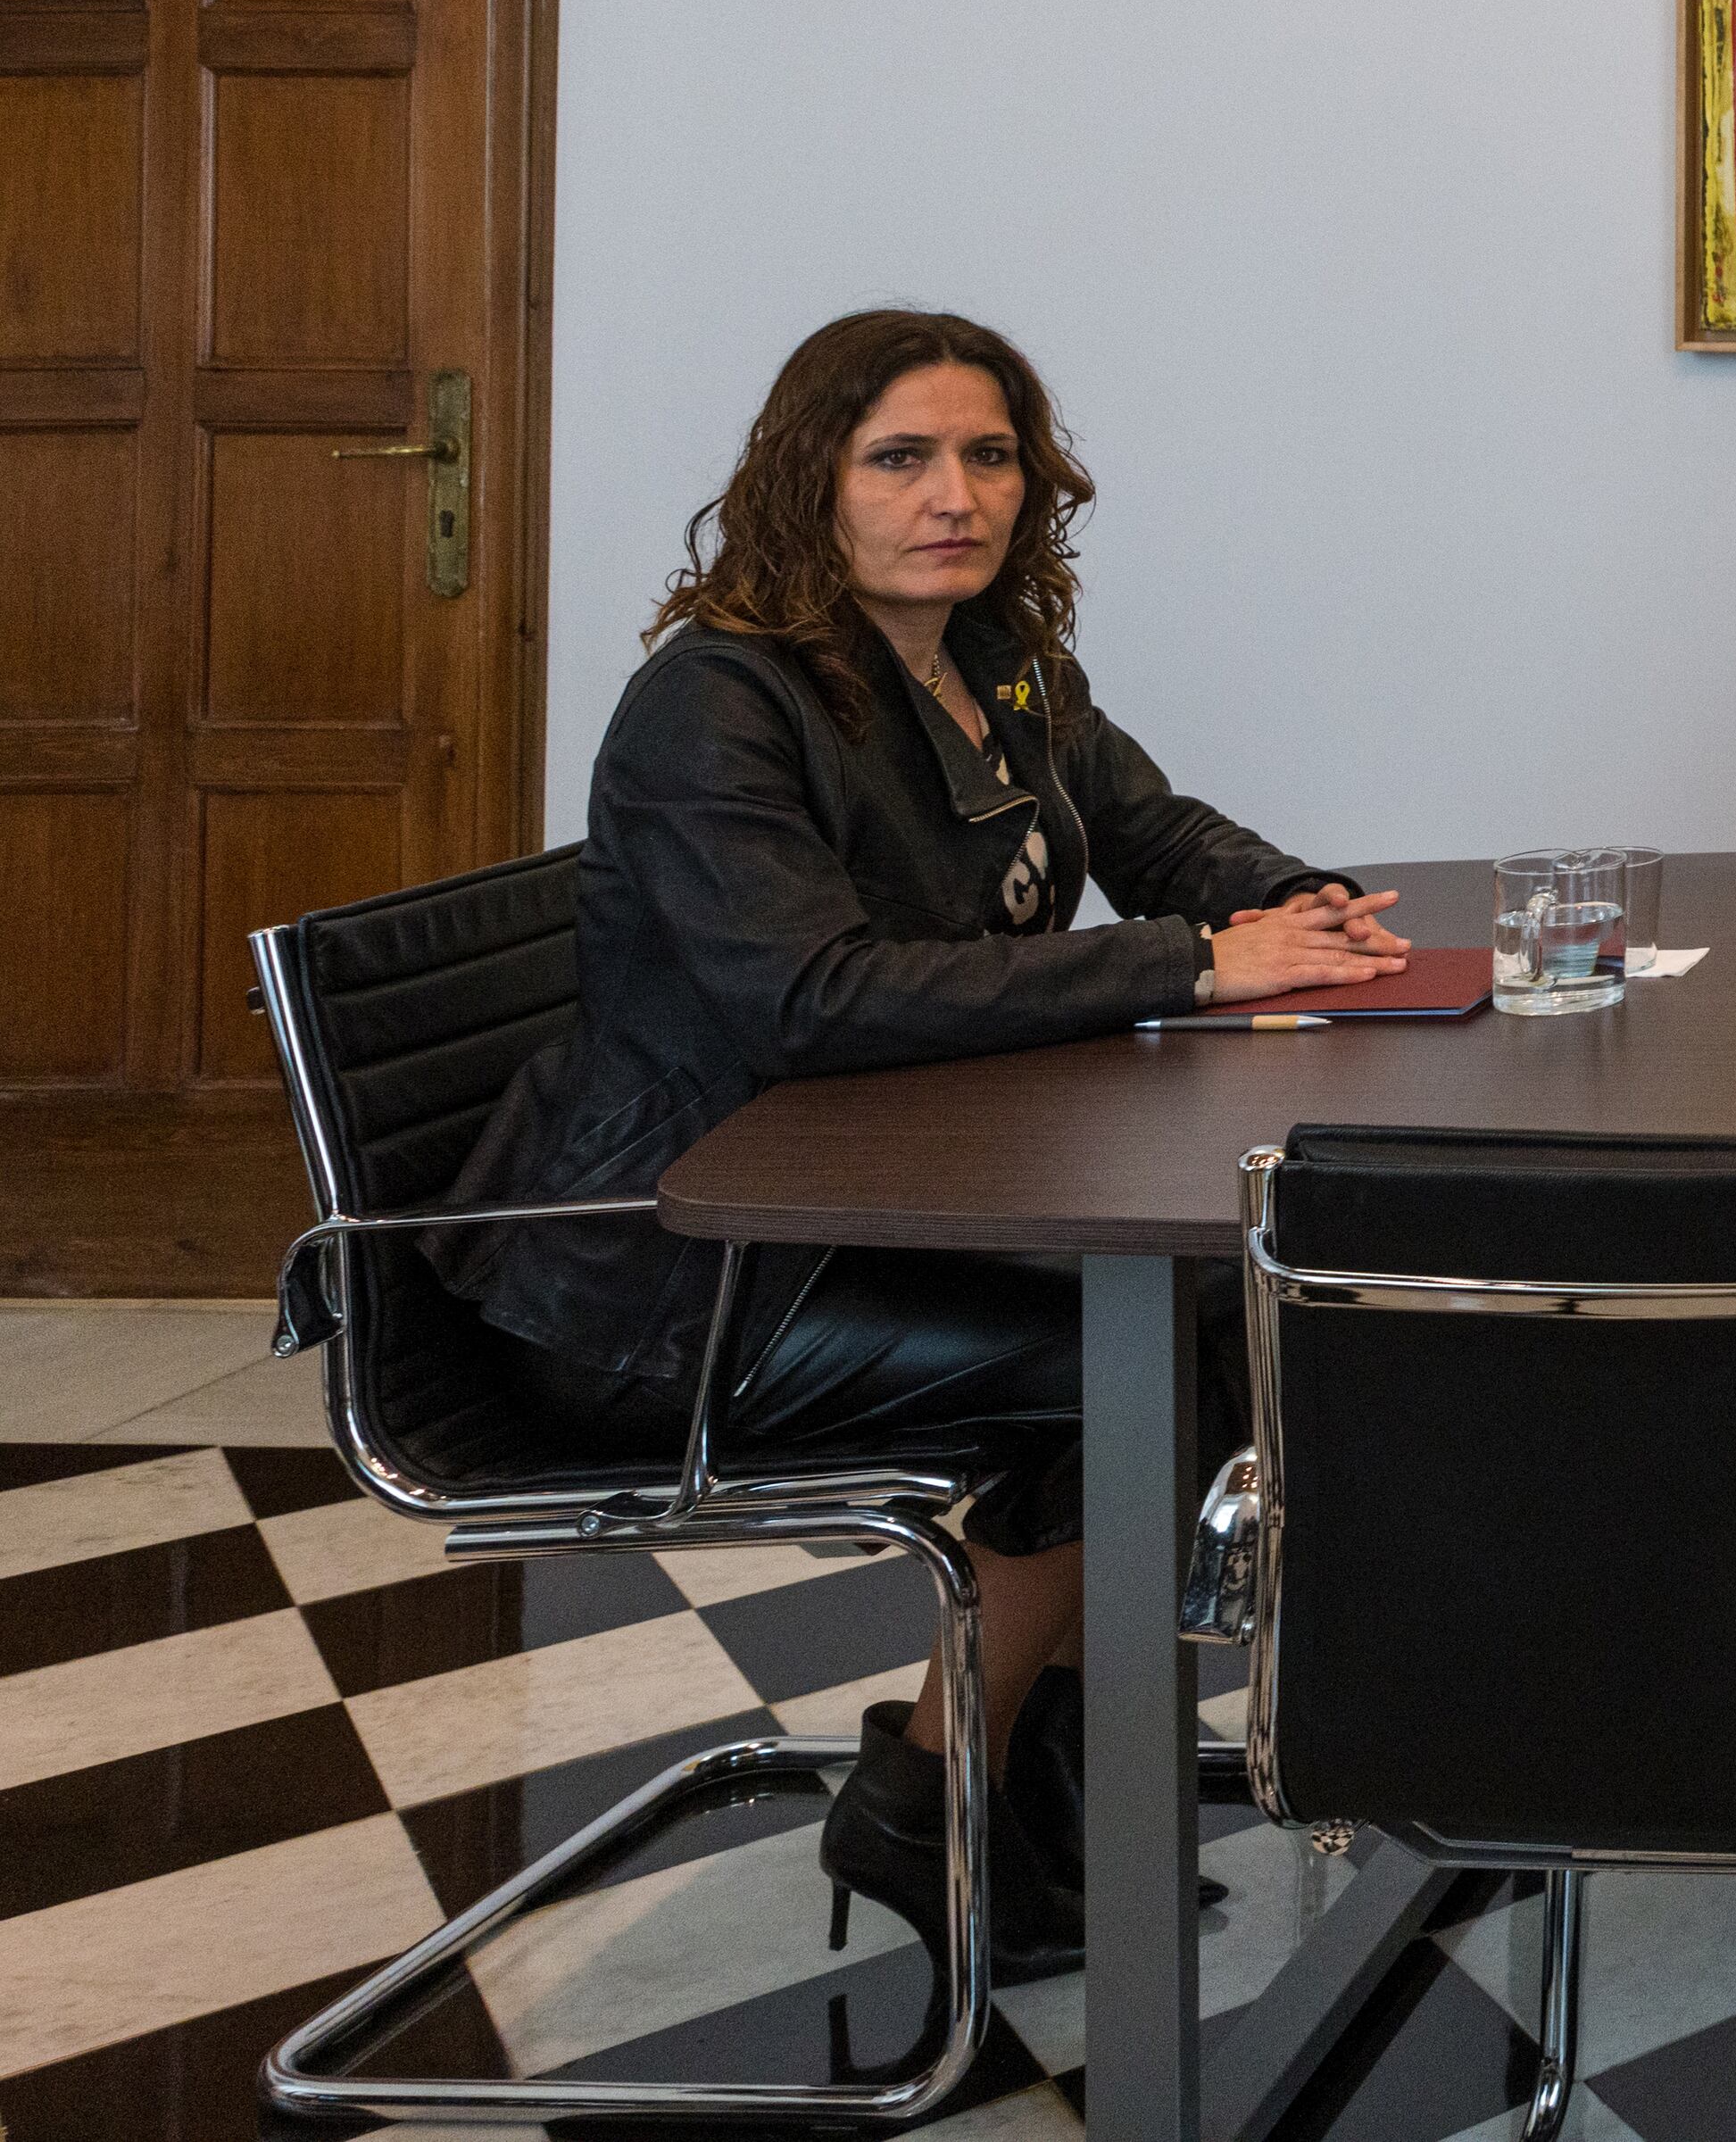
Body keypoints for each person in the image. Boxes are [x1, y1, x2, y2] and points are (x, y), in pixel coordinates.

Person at [439, 308, 1409, 1978]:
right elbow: (808, 998)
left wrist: (1296, 906)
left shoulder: (999, 661)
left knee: (1194, 1321)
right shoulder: (715, 704)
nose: (953, 493)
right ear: (808, 479)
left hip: (870, 1211)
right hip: (668, 1266)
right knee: (1131, 1356)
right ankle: (937, 1782)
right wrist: (1190, 962)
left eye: (989, 454)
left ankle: (1018, 1762)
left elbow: (1150, 827)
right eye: (900, 455)